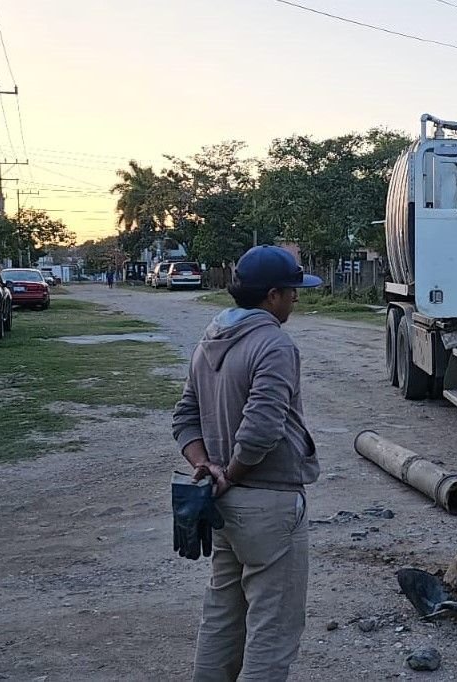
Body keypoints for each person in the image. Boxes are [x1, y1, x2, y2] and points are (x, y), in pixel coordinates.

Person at [172, 244, 322, 680]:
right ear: (272, 296)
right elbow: (260, 432)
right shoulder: (274, 344)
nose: (296, 298)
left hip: (221, 503)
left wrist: (206, 467)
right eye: (291, 290)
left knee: (223, 614)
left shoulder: (211, 337)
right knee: (273, 629)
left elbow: (184, 417)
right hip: (268, 504)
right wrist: (230, 475)